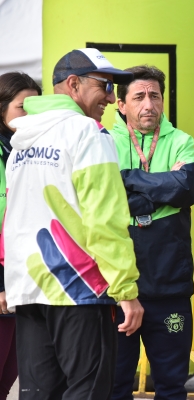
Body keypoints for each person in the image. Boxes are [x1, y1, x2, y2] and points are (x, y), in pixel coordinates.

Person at [2, 48, 144, 400]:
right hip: (80, 288)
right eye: (104, 86)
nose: (110, 98)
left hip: (30, 288)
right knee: (87, 391)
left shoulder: (22, 139)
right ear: (74, 84)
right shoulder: (88, 133)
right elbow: (105, 219)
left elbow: (13, 216)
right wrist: (126, 290)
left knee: (39, 394)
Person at [109, 65, 194, 400]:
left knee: (172, 387)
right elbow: (106, 199)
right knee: (115, 386)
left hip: (169, 284)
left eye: (155, 96)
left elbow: (187, 189)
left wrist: (127, 179)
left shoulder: (181, 140)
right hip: (119, 288)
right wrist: (163, 187)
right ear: (122, 105)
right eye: (139, 97)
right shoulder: (105, 142)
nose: (149, 104)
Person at [0, 72, 41, 400]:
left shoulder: (28, 148)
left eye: (35, 106)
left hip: (24, 277)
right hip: (4, 280)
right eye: (21, 106)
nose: (29, 114)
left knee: (9, 376)